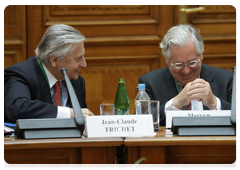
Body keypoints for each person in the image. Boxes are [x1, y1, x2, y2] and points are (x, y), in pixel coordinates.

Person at [139, 24, 233, 126]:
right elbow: (143, 124)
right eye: (178, 64)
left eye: (192, 62)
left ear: (201, 56)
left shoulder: (226, 79)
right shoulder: (150, 83)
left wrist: (214, 103)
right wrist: (175, 104)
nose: (186, 71)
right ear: (167, 60)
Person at [5, 24, 94, 123]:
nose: (84, 64)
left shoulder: (76, 82)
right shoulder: (20, 74)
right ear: (54, 60)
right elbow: (17, 108)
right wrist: (69, 113)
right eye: (78, 58)